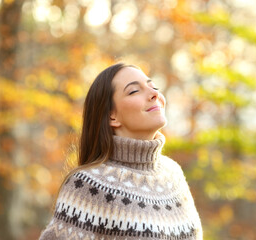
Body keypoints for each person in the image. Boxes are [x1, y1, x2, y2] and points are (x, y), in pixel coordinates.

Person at [39, 63, 203, 240]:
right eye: (134, 91)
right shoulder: (87, 184)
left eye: (153, 86)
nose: (155, 93)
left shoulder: (173, 174)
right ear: (112, 116)